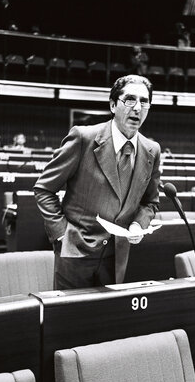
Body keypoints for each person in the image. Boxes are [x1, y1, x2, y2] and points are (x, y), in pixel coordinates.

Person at [34, 74, 161, 290]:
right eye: (130, 99)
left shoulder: (152, 150)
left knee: (106, 321)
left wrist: (139, 223)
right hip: (75, 252)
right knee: (70, 320)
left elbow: (150, 202)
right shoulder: (83, 138)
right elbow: (44, 189)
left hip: (117, 256)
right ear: (113, 105)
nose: (138, 107)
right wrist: (62, 235)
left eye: (144, 101)